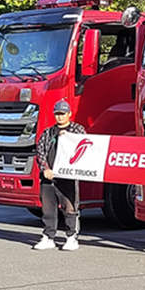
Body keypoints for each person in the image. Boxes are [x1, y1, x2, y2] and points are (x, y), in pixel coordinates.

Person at [33, 99, 86, 251]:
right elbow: (40, 151)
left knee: (70, 207)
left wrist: (68, 136)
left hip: (67, 176)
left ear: (69, 114)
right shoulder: (48, 132)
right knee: (48, 208)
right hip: (49, 176)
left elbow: (84, 146)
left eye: (63, 114)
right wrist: (45, 168)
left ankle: (71, 237)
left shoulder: (77, 130)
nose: (60, 117)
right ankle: (48, 237)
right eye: (57, 114)